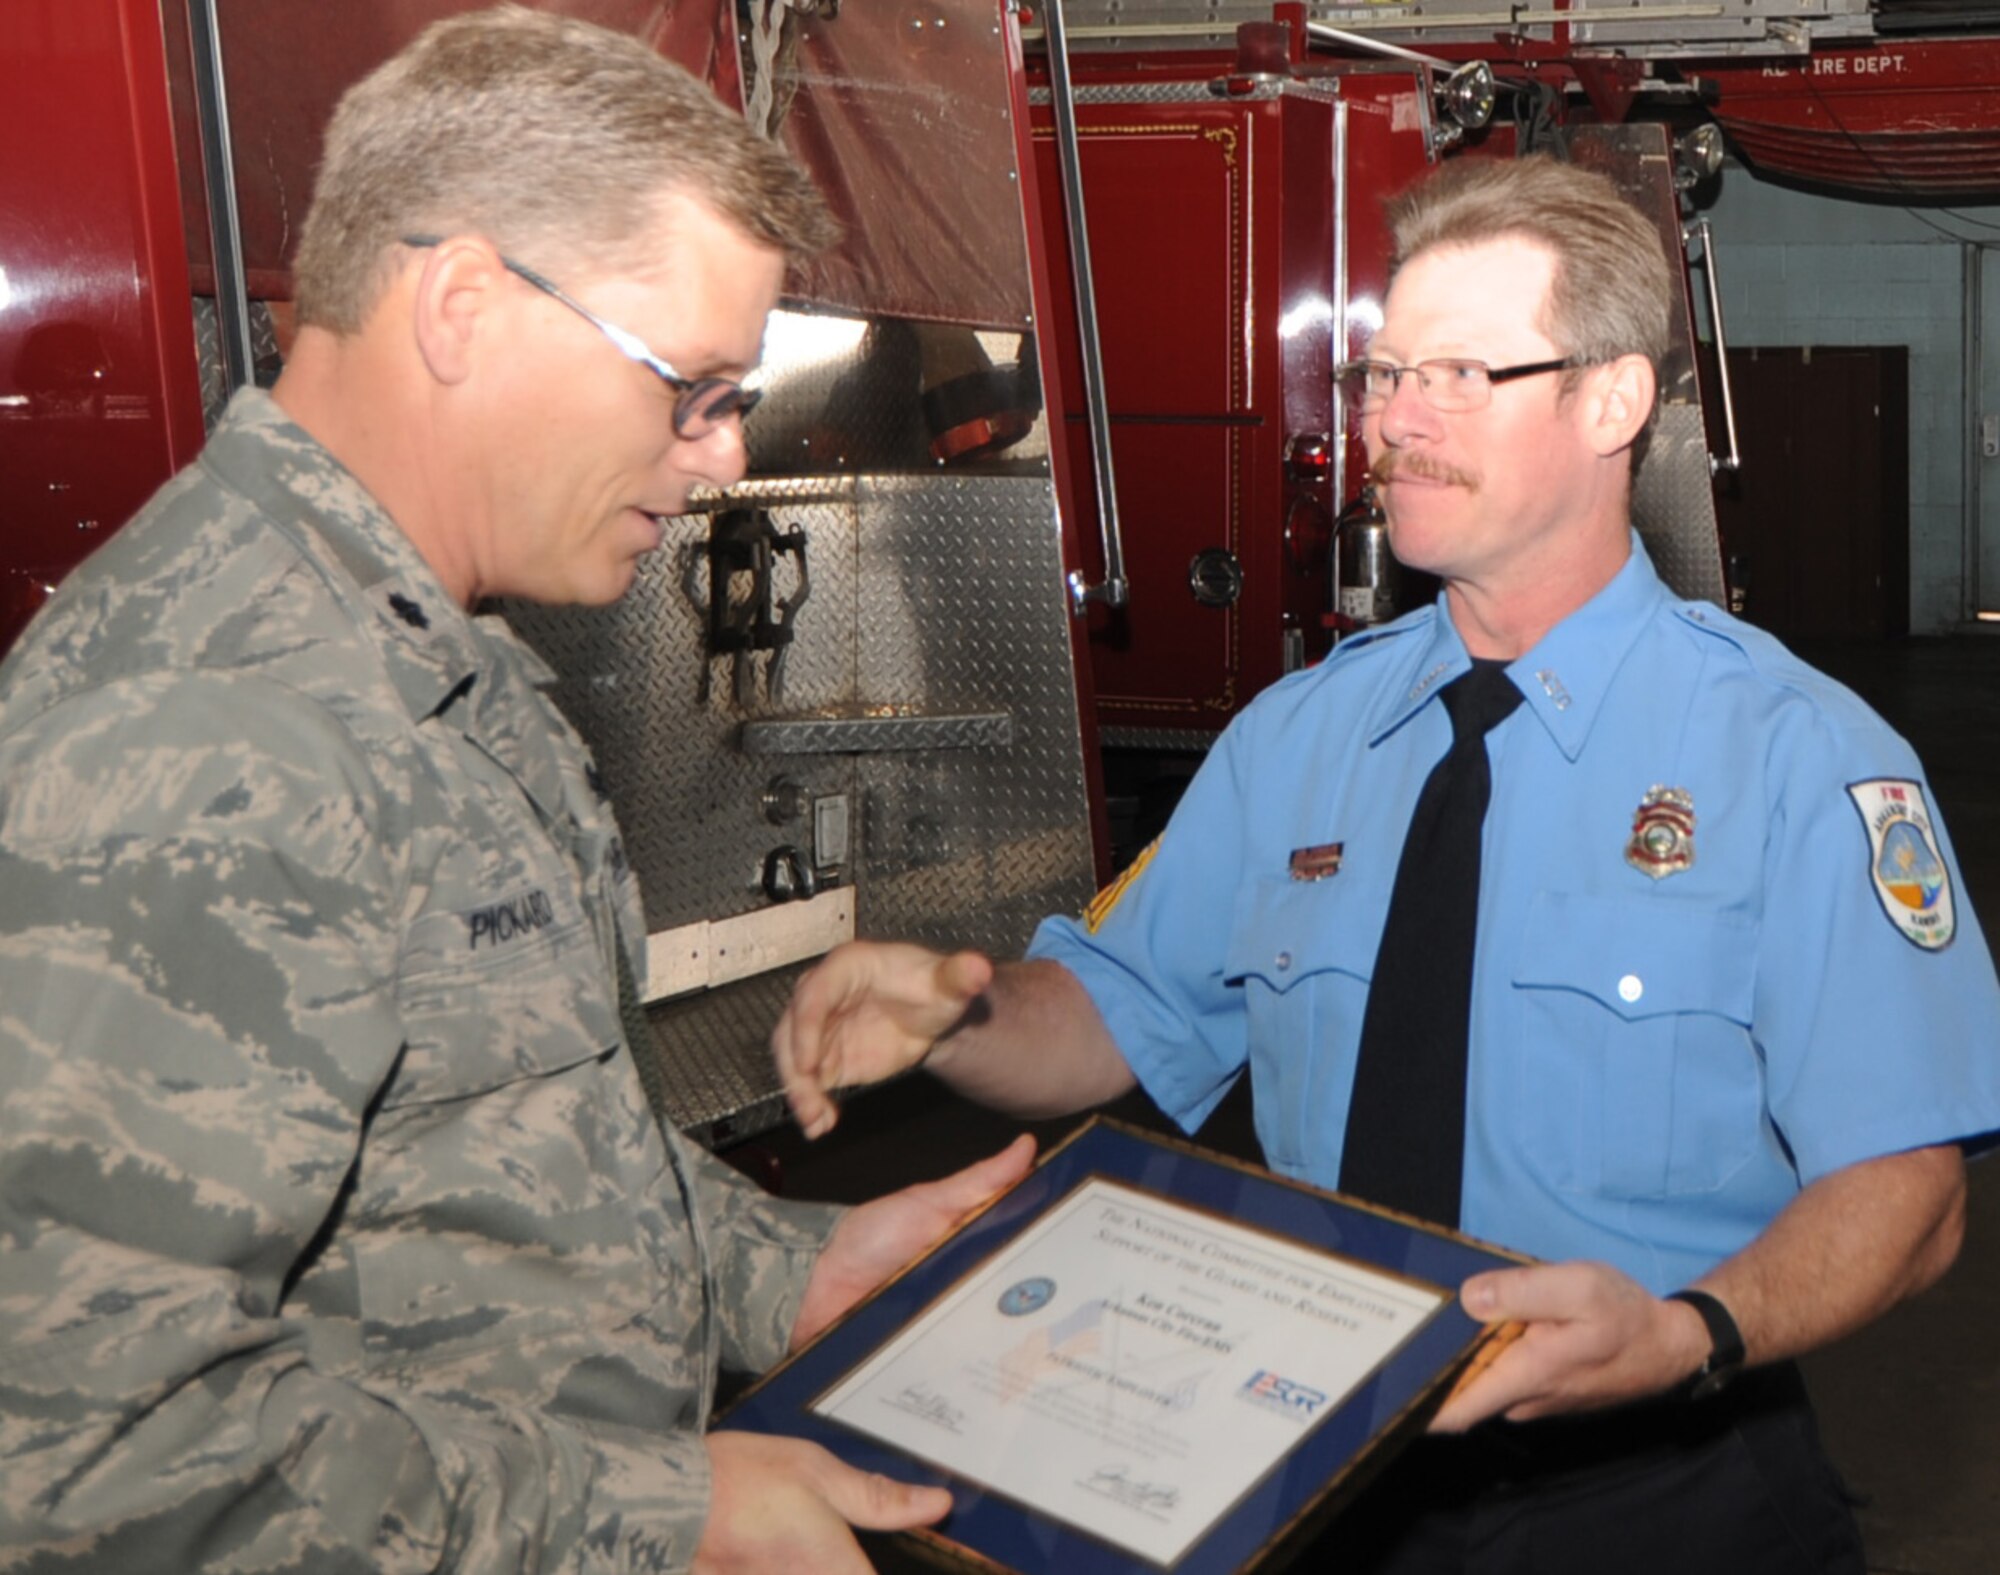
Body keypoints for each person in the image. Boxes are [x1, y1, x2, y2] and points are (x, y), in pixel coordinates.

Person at [773, 154, 2000, 1572]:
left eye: (1460, 377)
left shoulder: (1794, 759)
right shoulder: (1299, 736)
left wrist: (1688, 1333)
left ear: (1611, 401)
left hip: (1658, 1485)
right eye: (1382, 374)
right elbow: (1120, 1018)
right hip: (1309, 1464)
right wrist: (958, 1014)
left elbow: (1906, 1194)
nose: (1393, 426)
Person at [0, 9, 1033, 1572]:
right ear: (466, 307)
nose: (725, 459)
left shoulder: (436, 655)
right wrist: (665, 1519)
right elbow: (78, 1462)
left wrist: (783, 1273)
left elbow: (491, 1156)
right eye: (692, 388)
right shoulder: (218, 733)